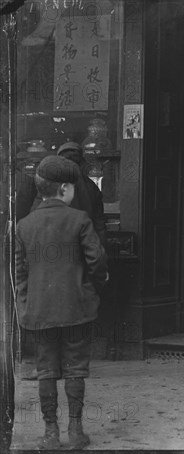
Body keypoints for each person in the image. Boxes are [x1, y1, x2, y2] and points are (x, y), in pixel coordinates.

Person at [15, 156, 108, 449]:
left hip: (40, 311)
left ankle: (50, 433)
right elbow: (97, 262)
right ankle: (76, 431)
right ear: (66, 188)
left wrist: (26, 304)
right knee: (75, 368)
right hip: (76, 309)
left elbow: (20, 272)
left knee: (46, 370)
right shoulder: (80, 220)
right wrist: (91, 289)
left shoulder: (24, 225)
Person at [25, 141, 107, 382]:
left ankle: (48, 368)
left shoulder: (47, 190)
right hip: (80, 260)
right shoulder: (92, 188)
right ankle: (72, 368)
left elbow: (33, 220)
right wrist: (102, 259)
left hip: (49, 260)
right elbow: (100, 227)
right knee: (74, 317)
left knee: (50, 315)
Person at [32, 141, 106, 245]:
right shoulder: (91, 187)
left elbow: (35, 215)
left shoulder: (50, 184)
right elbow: (99, 224)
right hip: (84, 244)